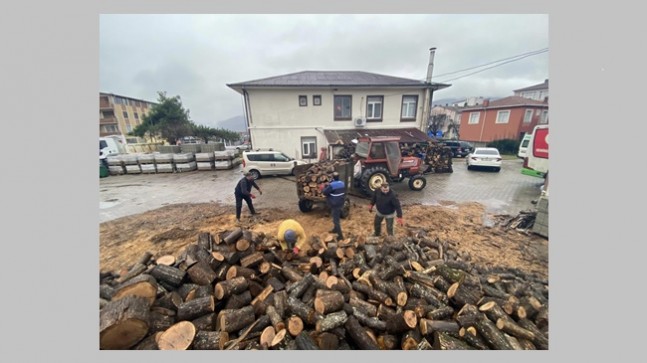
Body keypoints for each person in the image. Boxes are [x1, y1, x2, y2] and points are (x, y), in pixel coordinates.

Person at [322, 171, 346, 241]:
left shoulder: (332, 185)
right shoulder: (342, 183)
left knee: (336, 220)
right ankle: (335, 229)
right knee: (335, 216)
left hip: (334, 203)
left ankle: (340, 236)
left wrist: (324, 187)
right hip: (340, 202)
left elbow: (325, 192)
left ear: (332, 178)